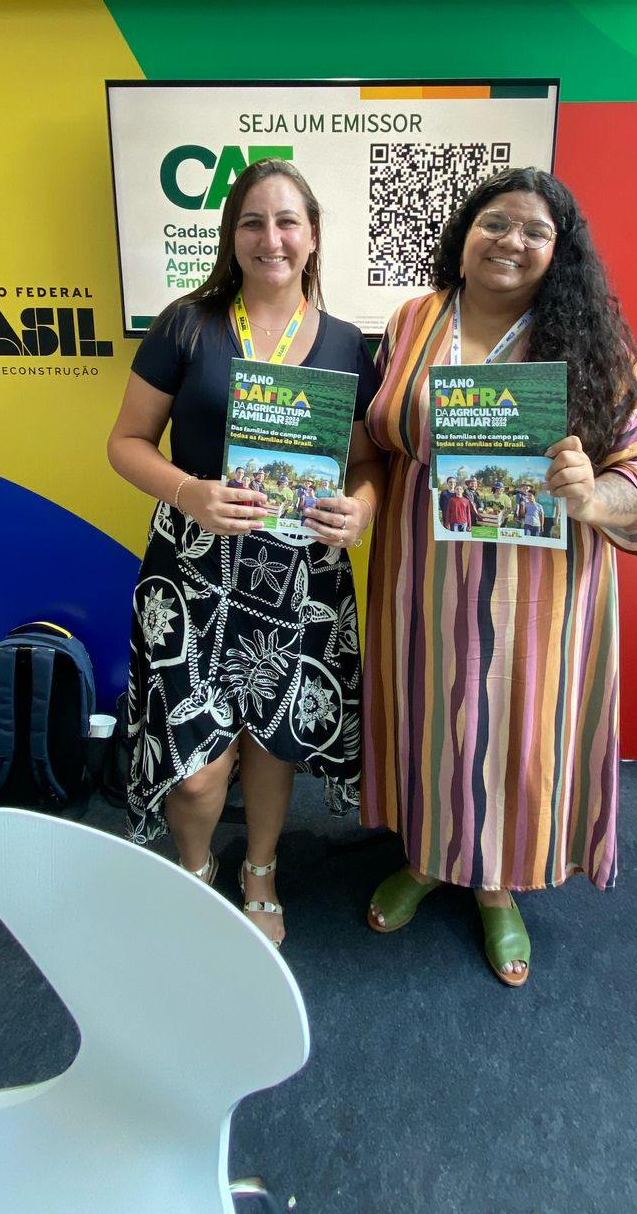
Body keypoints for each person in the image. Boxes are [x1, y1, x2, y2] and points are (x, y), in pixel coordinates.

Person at [362, 166, 637, 987]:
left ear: (560, 253)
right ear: (465, 235)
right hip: (422, 576)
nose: (512, 241)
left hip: (535, 590)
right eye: (495, 222)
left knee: (514, 729)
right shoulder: (412, 321)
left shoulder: (592, 345)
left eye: (537, 231)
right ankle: (429, 858)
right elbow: (378, 438)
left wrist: (592, 493)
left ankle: (496, 884)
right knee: (430, 718)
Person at [107, 159, 382, 946]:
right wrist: (188, 491)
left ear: (313, 235)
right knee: (198, 768)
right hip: (192, 571)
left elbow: (369, 465)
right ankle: (195, 870)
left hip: (300, 576)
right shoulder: (186, 325)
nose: (271, 238)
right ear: (232, 236)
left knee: (273, 739)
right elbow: (125, 443)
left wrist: (360, 511)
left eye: (288, 221)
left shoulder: (345, 343)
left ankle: (260, 868)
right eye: (253, 222)